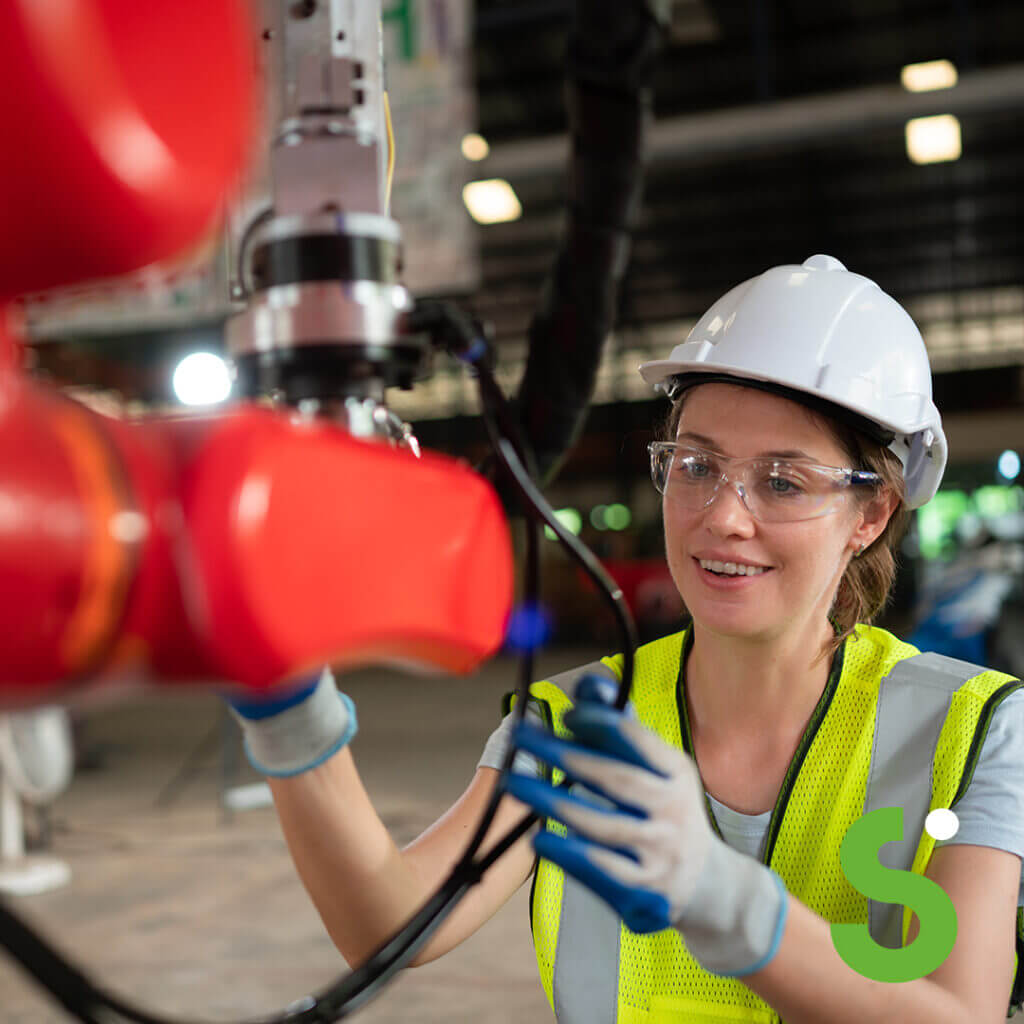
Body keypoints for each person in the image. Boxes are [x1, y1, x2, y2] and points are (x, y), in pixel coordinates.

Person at [229, 255, 1024, 1023]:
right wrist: (290, 710)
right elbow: (390, 923)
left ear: (872, 515)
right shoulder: (578, 724)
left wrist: (723, 898)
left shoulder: (974, 730)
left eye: (783, 481)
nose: (724, 516)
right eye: (697, 466)